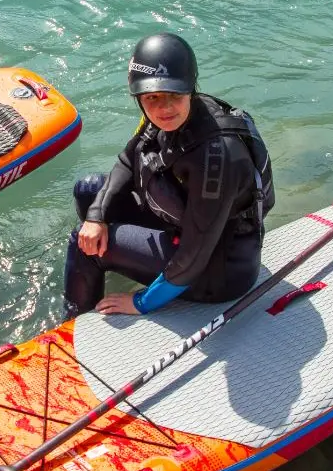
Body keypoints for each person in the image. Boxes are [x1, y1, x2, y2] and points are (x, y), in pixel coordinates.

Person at [64, 33, 275, 317]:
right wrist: (96, 217)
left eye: (175, 95)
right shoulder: (161, 120)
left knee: (81, 244)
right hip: (183, 228)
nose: (165, 108)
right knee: (89, 191)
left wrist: (141, 302)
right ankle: (105, 259)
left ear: (191, 89)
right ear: (139, 96)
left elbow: (195, 254)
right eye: (153, 98)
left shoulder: (217, 155)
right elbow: (128, 160)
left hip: (215, 271)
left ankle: (74, 321)